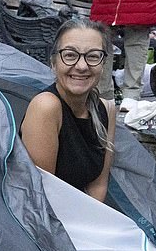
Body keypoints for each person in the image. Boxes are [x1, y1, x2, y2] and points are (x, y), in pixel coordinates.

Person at [21, 19, 116, 203]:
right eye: (70, 55)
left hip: (83, 216)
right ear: (53, 61)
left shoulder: (106, 109)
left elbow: (98, 185)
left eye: (93, 56)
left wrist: (94, 224)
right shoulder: (46, 107)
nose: (82, 66)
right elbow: (43, 196)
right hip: (46, 218)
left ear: (103, 64)